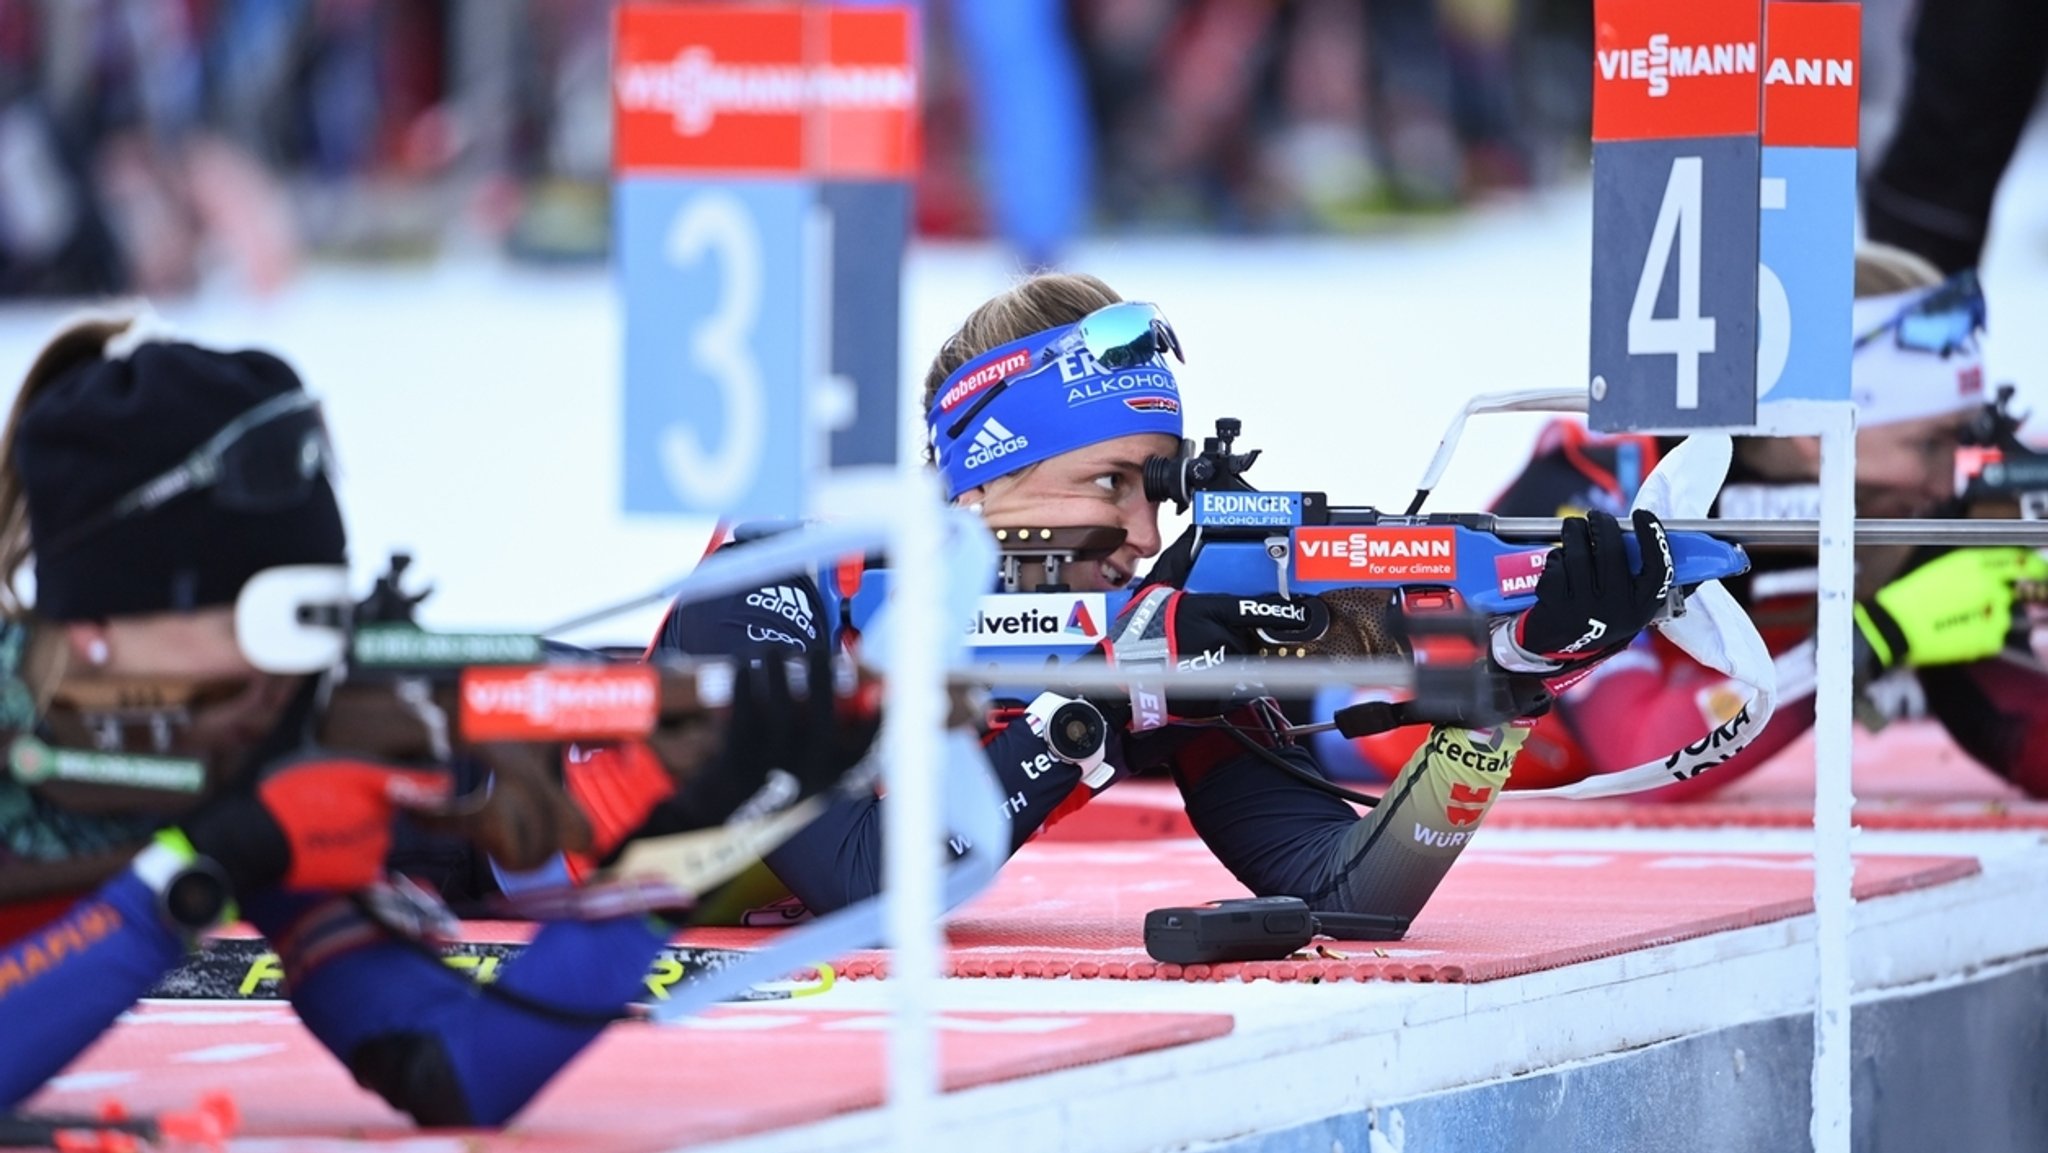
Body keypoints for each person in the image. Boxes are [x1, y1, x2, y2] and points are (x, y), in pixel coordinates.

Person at [0, 317, 854, 1123]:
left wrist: (671, 856)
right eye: (256, 624)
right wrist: (186, 878)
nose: (287, 678)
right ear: (97, 628)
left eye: (316, 620)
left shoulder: (243, 765)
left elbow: (459, 1068)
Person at [648, 271, 1674, 923]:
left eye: (1161, 485)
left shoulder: (1132, 630)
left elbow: (1351, 892)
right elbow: (857, 879)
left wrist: (1510, 678)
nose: (1144, 532)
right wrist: (1088, 711)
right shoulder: (784, 559)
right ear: (982, 481)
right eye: (1109, 482)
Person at [1345, 243, 2048, 799]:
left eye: (1969, 435)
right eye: (1931, 444)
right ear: (1815, 433)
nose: (1950, 475)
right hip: (1344, 747)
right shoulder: (1609, 481)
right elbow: (1636, 754)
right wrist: (1870, 636)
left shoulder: (1907, 506)